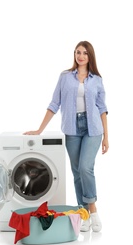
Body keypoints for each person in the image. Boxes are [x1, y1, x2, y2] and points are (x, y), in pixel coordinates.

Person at [24, 41, 109, 232]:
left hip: (93, 128)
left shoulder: (96, 79)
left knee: (86, 168)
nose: (81, 56)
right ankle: (83, 213)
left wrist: (106, 137)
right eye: (78, 52)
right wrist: (39, 130)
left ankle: (93, 210)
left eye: (85, 53)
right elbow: (55, 103)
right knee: (77, 172)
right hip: (72, 129)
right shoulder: (65, 77)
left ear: (90, 57)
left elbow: (102, 109)